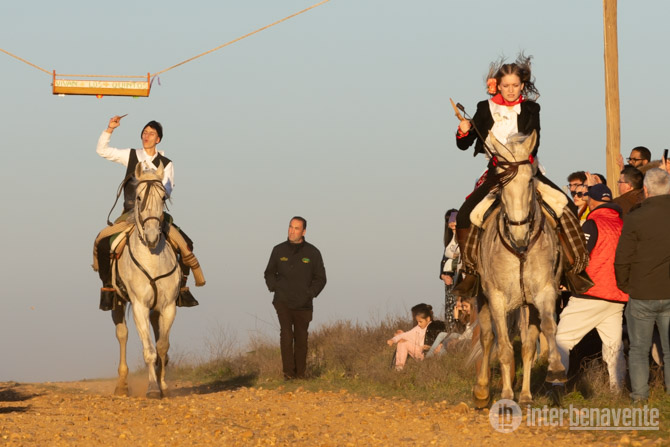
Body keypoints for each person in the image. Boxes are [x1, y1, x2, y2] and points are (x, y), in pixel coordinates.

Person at [452, 53, 585, 298]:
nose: (511, 90)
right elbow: (464, 145)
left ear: (522, 85)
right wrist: (463, 131)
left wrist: (518, 162)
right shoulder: (484, 108)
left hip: (526, 169)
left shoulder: (532, 108)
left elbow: (534, 141)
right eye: (506, 86)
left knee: (566, 206)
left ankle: (573, 268)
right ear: (498, 86)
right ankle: (470, 272)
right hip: (497, 173)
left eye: (515, 85)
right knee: (464, 215)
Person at [93, 116, 205, 311]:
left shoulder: (167, 163)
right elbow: (102, 151)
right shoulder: (131, 155)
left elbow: (167, 190)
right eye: (144, 133)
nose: (147, 136)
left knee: (186, 243)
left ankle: (182, 288)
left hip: (156, 214)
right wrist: (110, 129)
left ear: (158, 139)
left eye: (151, 134)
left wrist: (154, 191)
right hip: (130, 214)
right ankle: (108, 288)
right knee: (102, 242)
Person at [554, 184, 628, 391]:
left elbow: (580, 256)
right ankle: (617, 390)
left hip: (590, 293)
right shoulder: (623, 224)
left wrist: (566, 279)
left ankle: (556, 385)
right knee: (614, 347)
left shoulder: (592, 223)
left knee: (562, 339)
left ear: (592, 202)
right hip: (617, 295)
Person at [614, 168, 670, 403]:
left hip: (641, 291)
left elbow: (622, 258)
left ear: (645, 190)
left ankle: (639, 397)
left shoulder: (635, 217)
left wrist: (625, 284)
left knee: (638, 349)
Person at [264, 216, 327, 379]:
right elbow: (269, 272)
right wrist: (274, 287)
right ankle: (288, 374)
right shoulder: (278, 250)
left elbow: (321, 278)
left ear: (303, 232)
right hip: (283, 301)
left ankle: (300, 374)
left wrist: (310, 293)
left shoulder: (313, 253)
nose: (292, 231)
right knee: (286, 336)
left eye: (296, 228)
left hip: (304, 304)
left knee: (301, 339)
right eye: (290, 227)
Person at [387, 303, 445, 369]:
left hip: (432, 353)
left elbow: (440, 340)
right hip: (420, 352)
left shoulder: (435, 326)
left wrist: (430, 347)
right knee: (402, 343)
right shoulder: (418, 328)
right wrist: (393, 340)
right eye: (418, 322)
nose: (419, 324)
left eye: (420, 322)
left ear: (428, 319)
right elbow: (406, 335)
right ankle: (399, 367)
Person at [440, 209, 460, 331]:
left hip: (456, 276)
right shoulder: (449, 239)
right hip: (448, 277)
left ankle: (457, 331)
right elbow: (443, 260)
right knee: (449, 308)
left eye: (454, 219)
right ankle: (449, 331)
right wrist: (442, 275)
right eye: (449, 221)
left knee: (456, 306)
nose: (452, 223)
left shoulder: (461, 237)